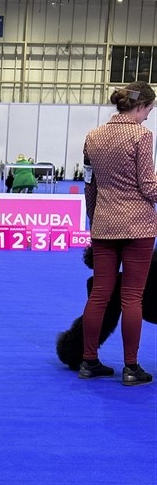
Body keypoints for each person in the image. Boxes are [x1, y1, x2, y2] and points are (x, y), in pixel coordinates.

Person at [79, 81, 157, 386]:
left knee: (100, 294)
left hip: (104, 225)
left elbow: (90, 185)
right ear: (141, 106)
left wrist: (94, 219)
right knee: (132, 297)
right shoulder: (142, 136)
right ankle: (131, 368)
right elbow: (148, 187)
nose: (149, 115)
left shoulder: (93, 136)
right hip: (138, 226)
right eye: (150, 109)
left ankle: (88, 361)